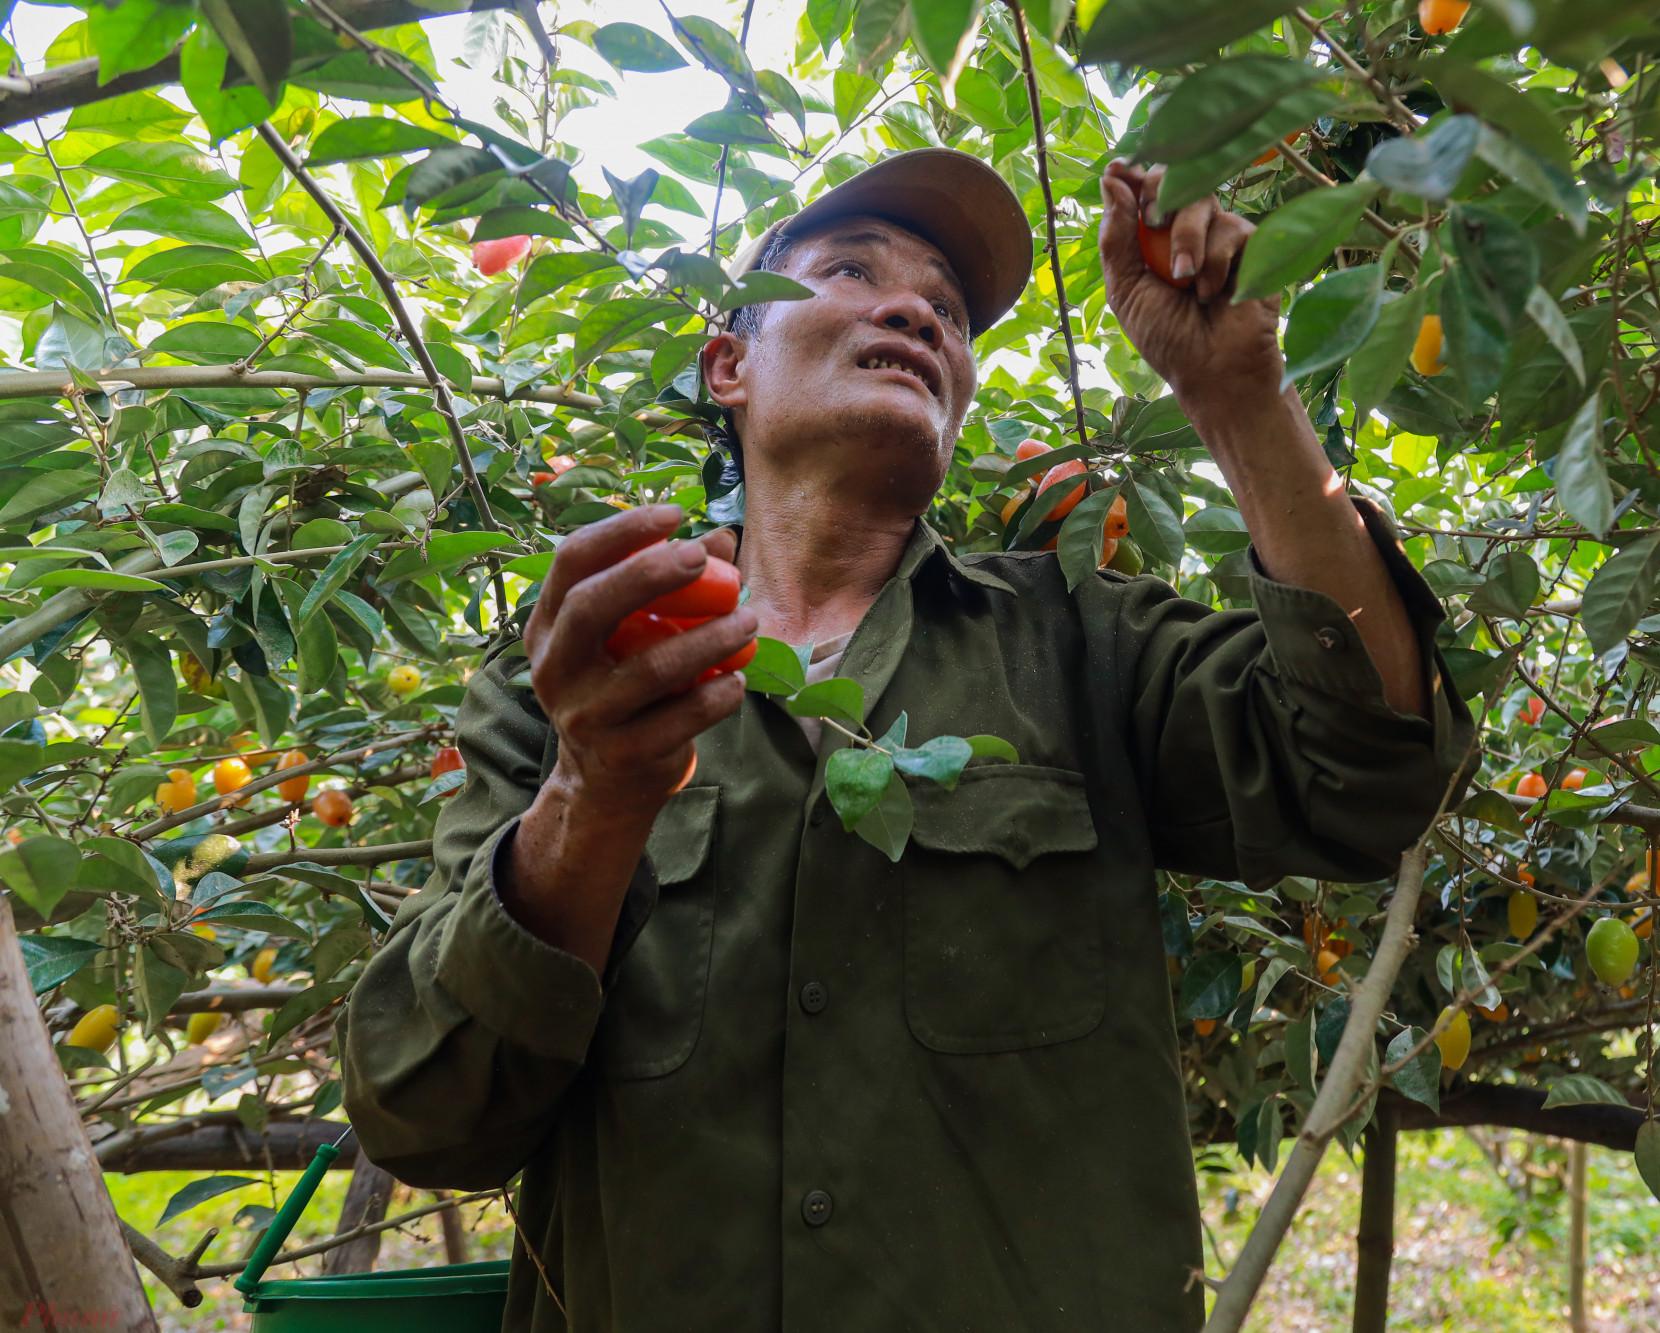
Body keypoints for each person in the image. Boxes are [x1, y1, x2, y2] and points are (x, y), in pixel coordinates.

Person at [342, 146, 1472, 1331]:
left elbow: (1372, 769)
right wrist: (594, 793)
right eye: (848, 269)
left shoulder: (1083, 640)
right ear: (727, 362)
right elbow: (430, 1113)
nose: (911, 311)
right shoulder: (571, 681)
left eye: (944, 307)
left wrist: (1241, 399)